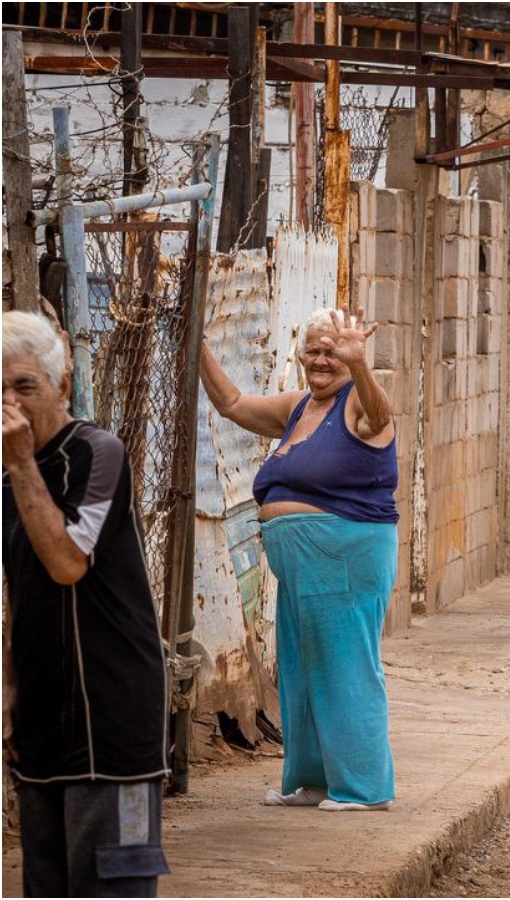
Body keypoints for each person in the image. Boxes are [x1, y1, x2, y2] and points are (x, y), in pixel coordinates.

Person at [199, 306, 399, 812]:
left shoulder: (358, 404)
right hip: (302, 567)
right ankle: (313, 781)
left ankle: (363, 788)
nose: (321, 359)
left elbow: (381, 416)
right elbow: (233, 403)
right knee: (302, 671)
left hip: (344, 558)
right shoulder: (297, 407)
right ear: (299, 352)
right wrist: (195, 343)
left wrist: (361, 367)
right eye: (313, 349)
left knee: (345, 667)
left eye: (333, 351)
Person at [3, 309, 171, 896]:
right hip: (43, 720)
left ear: (62, 386)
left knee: (110, 889)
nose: (12, 405)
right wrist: (10, 693)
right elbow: (18, 594)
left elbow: (67, 562)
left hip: (111, 720)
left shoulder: (98, 452)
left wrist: (22, 464)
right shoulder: (7, 479)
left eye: (24, 385)